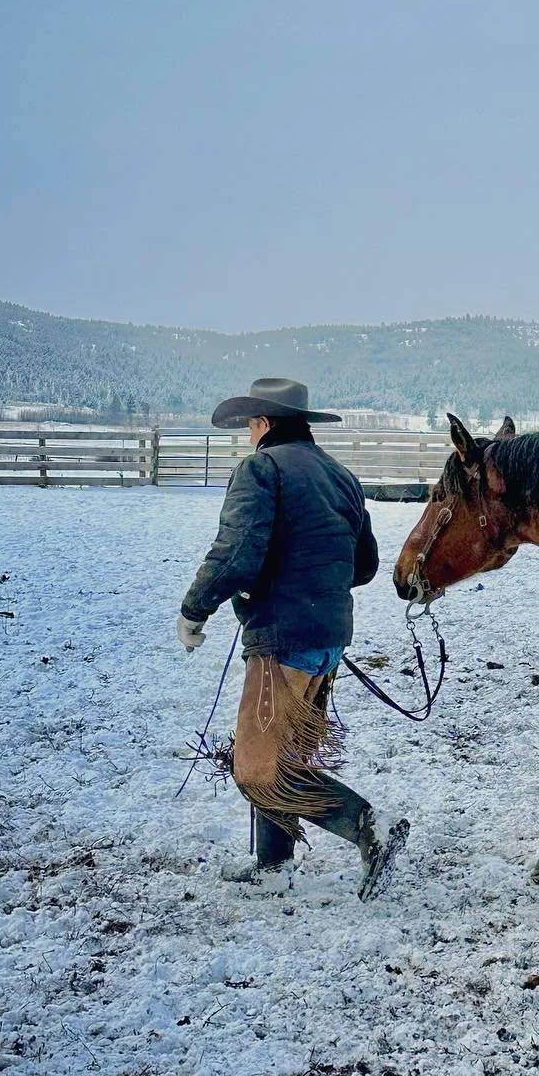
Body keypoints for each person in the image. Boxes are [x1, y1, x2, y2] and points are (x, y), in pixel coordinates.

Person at [176, 376, 407, 893]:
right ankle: (273, 866)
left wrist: (195, 611)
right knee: (286, 753)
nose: (246, 434)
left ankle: (369, 825)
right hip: (329, 634)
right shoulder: (340, 475)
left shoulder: (261, 469)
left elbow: (236, 553)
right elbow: (364, 565)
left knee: (258, 768)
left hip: (282, 637)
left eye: (248, 424)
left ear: (263, 423)